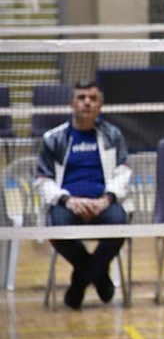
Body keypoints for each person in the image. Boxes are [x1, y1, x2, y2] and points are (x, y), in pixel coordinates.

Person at [35, 80, 132, 310]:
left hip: (104, 203)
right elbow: (43, 180)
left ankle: (79, 284)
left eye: (93, 98)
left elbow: (124, 173)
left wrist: (106, 199)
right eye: (81, 97)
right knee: (56, 228)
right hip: (68, 204)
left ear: (100, 105)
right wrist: (68, 200)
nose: (87, 102)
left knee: (120, 224)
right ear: (72, 103)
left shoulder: (113, 135)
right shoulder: (53, 138)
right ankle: (99, 277)